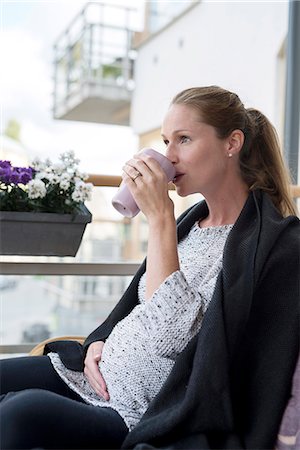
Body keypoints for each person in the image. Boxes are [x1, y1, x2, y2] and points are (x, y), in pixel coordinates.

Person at [0, 86, 299, 450]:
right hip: (93, 374)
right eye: (165, 141)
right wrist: (99, 342)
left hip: (138, 410)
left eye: (184, 139)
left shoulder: (272, 243)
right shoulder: (192, 223)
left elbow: (172, 335)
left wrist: (158, 219)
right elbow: (135, 309)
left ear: (231, 143)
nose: (169, 157)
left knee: (20, 413)